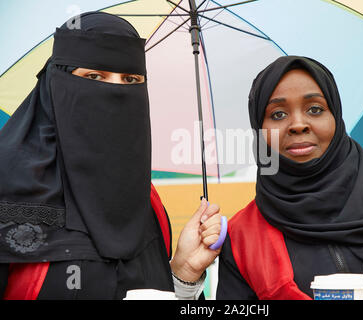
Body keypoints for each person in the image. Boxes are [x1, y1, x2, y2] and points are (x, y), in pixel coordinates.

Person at [0, 12, 223, 300]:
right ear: (57, 83)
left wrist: (184, 273)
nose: (115, 92)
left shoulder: (147, 203)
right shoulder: (7, 186)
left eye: (130, 79)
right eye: (94, 76)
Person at [216, 56, 363, 300]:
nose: (298, 125)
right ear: (258, 129)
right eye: (277, 114)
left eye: (315, 109)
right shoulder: (242, 238)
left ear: (336, 116)